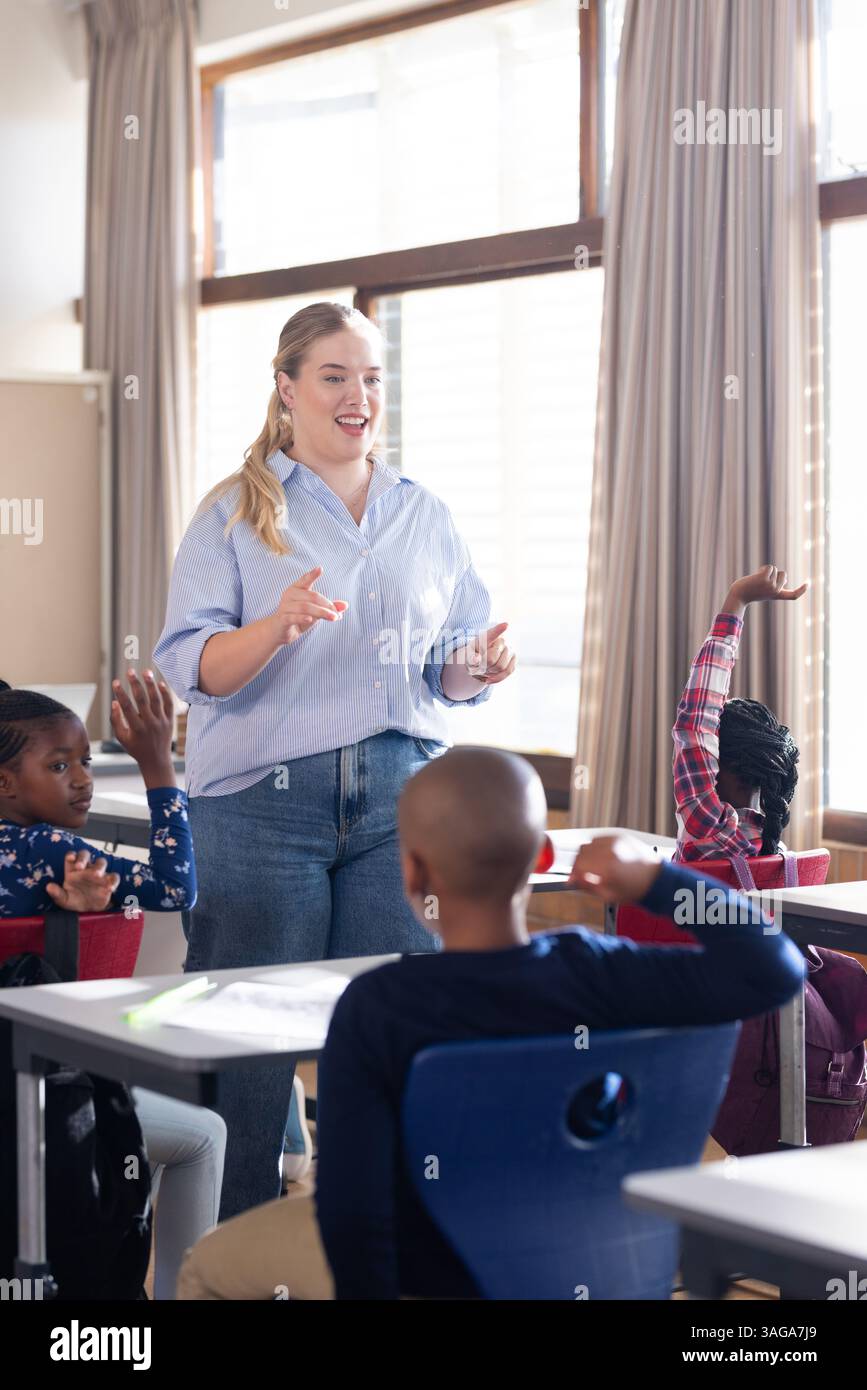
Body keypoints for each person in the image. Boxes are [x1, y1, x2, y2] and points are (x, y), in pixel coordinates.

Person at [176, 747, 803, 1301]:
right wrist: (652, 879)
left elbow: (353, 1221)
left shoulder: (378, 1008)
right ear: (540, 861)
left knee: (205, 1264)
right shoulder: (601, 974)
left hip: (431, 1276)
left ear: (414, 874)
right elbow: (775, 967)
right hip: (598, 1262)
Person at [153, 300, 516, 1217]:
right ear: (287, 388)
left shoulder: (420, 513)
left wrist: (474, 666)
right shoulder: (234, 513)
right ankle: (216, 1257)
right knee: (246, 1051)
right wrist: (273, 628)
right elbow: (190, 665)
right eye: (334, 376)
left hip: (403, 797)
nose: (358, 396)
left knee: (393, 1033)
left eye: (372, 378)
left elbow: (449, 667)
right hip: (262, 809)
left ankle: (383, 1251)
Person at [0, 675, 226, 1299]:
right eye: (59, 764)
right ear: (5, 783)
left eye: (85, 761)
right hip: (40, 1098)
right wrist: (156, 765)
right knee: (204, 1133)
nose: (82, 779)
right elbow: (178, 887)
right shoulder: (49, 849)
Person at [672, 564, 806, 862]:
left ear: (718, 764)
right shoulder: (774, 851)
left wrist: (738, 598)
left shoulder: (706, 825)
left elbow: (696, 722)